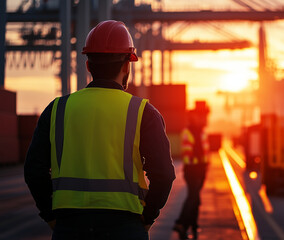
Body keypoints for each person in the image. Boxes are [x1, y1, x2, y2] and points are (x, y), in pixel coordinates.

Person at [24, 20, 175, 240]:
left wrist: (50, 215)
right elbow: (163, 175)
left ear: (88, 66)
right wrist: (147, 217)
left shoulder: (57, 109)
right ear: (127, 66)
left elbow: (33, 170)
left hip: (69, 227)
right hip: (125, 227)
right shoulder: (143, 112)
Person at [173, 102, 210, 240]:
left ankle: (192, 224)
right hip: (193, 171)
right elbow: (188, 157)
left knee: (195, 199)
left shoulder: (200, 132)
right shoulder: (189, 132)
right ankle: (181, 224)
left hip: (200, 170)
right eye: (202, 116)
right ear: (194, 116)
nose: (204, 119)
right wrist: (200, 164)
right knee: (193, 198)